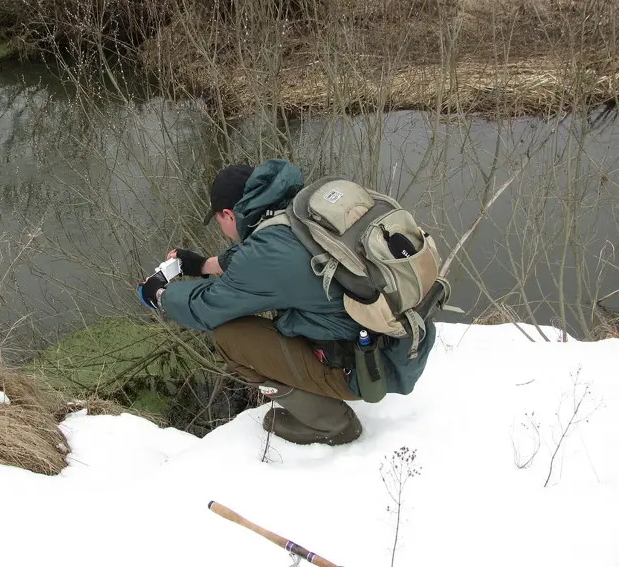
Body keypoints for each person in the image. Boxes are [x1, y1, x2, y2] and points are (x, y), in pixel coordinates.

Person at [138, 159, 436, 445]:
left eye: (218, 220)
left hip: (370, 370)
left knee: (231, 337)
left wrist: (160, 296)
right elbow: (272, 256)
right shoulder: (302, 205)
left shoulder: (266, 253)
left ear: (229, 214)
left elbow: (206, 309)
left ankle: (331, 423)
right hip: (404, 342)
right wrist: (204, 265)